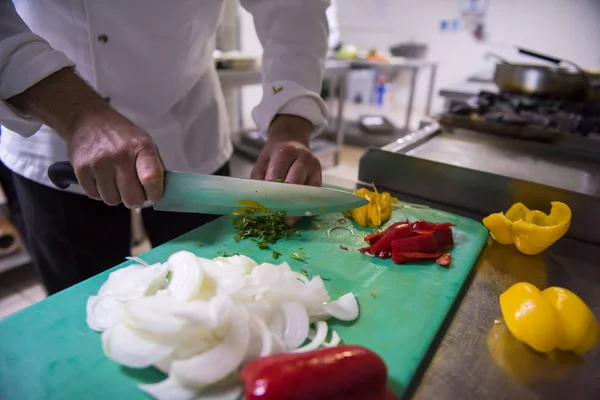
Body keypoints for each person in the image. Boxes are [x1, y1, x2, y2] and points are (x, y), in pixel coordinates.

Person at [0, 0, 331, 294]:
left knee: (217, 290)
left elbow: (294, 7)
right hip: (55, 135)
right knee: (80, 304)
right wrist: (76, 115)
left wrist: (291, 122)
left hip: (190, 129)